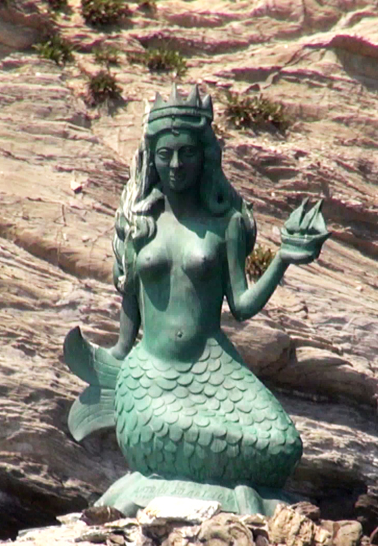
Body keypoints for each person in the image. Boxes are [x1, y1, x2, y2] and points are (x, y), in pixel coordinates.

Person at [64, 85, 330, 515]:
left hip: (214, 371)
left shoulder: (226, 224)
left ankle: (224, 494)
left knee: (282, 447)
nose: (176, 165)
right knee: (172, 438)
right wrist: (107, 367)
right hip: (150, 378)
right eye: (165, 154)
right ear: (151, 158)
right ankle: (229, 496)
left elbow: (241, 305)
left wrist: (282, 258)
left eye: (187, 152)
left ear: (204, 156)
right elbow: (126, 330)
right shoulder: (139, 225)